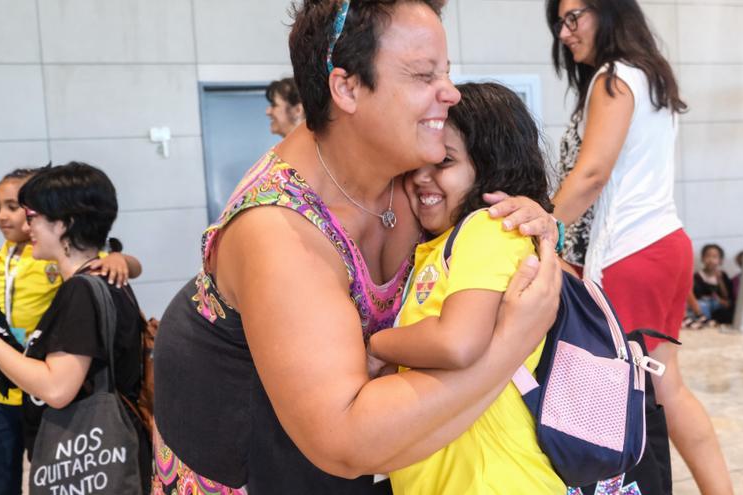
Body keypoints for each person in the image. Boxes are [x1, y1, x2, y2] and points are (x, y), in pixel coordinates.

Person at [151, 1, 561, 493]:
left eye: (446, 73)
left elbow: (479, 242)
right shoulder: (278, 231)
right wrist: (511, 342)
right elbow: (345, 440)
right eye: (422, 76)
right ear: (346, 87)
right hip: (262, 467)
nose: (449, 93)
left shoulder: (411, 173)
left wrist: (526, 219)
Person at [493, 0, 733, 492]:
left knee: (622, 392)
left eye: (573, 16)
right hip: (662, 244)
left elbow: (592, 173)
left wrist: (546, 227)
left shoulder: (613, 79)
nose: (565, 31)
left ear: (609, 11)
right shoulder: (648, 77)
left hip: (631, 254)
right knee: (666, 388)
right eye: (559, 22)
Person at [367, 82, 564, 494]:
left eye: (444, 162)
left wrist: (377, 345)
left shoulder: (489, 228)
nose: (421, 176)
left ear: (490, 166)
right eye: (419, 160)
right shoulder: (441, 245)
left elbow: (457, 342)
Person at [0, 163, 151, 489]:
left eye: (33, 217)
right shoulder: (106, 279)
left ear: (64, 224)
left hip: (89, 464)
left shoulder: (81, 291)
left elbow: (57, 388)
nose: (28, 227)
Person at [686, 244, 733, 326]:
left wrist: (720, 280)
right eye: (707, 256)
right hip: (704, 304)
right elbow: (696, 296)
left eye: (715, 257)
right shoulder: (697, 276)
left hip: (718, 306)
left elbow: (727, 295)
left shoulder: (722, 275)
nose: (711, 260)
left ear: (720, 260)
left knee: (729, 312)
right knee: (702, 306)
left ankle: (709, 320)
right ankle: (704, 320)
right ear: (702, 258)